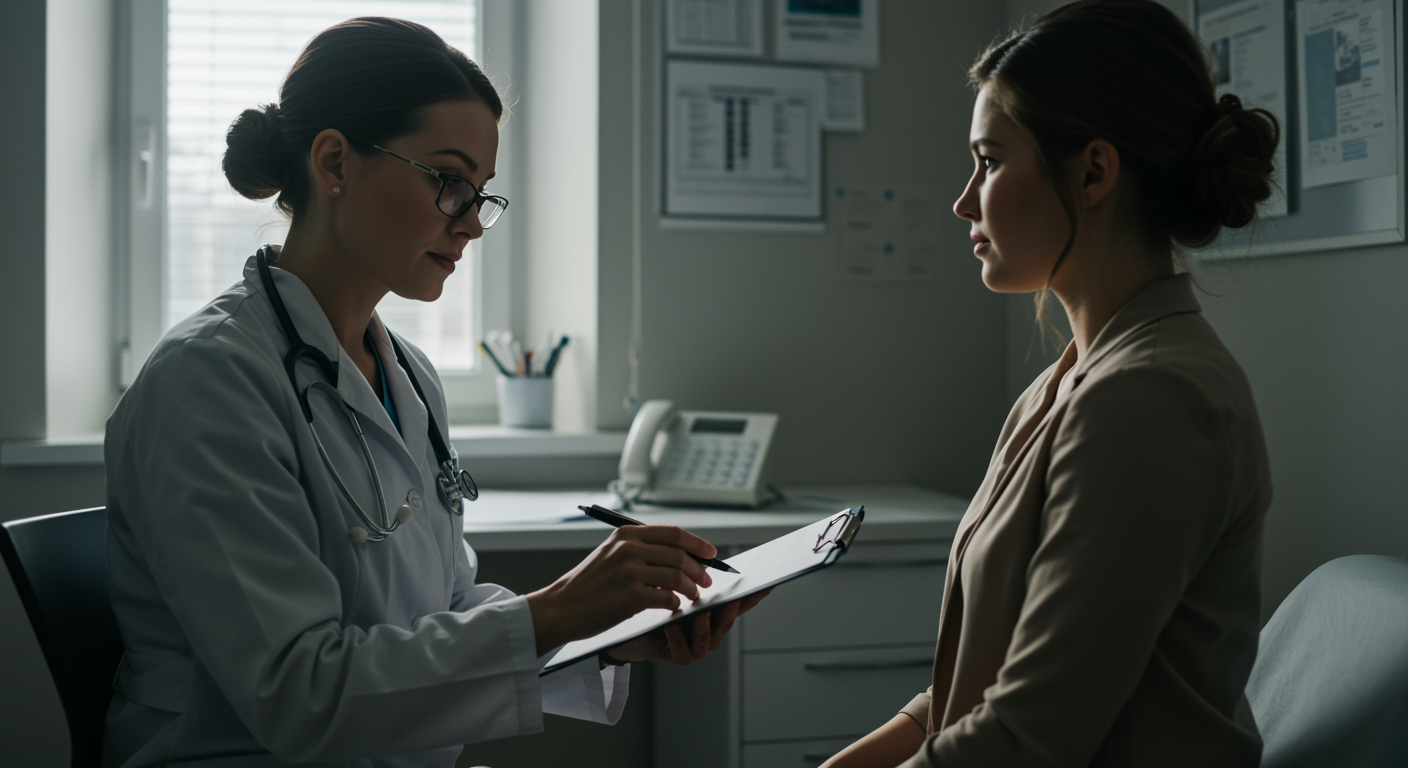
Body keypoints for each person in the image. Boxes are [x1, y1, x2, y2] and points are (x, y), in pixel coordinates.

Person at [102, 17, 763, 768]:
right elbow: (300, 692)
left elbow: (442, 613)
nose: (473, 224)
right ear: (334, 161)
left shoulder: (407, 374)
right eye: (450, 183)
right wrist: (559, 608)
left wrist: (603, 630)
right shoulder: (208, 382)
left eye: (482, 193)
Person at [822, 2, 1278, 766]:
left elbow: (1031, 735)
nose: (965, 200)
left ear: (1094, 171)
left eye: (991, 161)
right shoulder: (1066, 385)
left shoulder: (1151, 400)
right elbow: (981, 684)